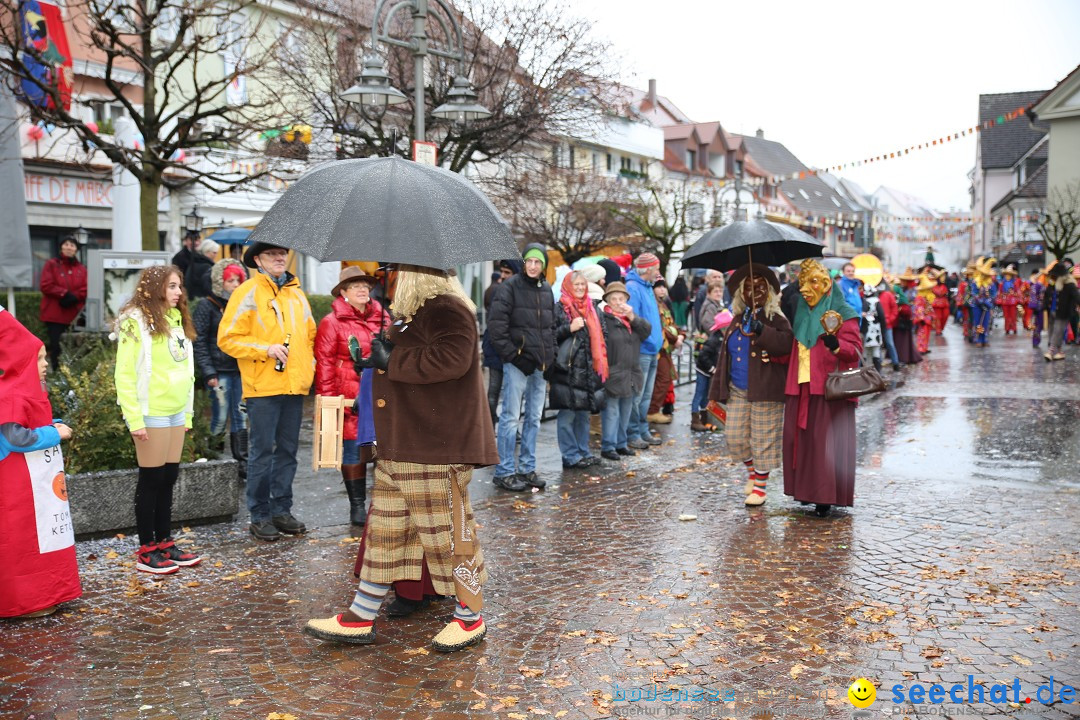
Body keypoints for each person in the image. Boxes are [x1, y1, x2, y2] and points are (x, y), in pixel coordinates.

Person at [304, 264, 496, 653]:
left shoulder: (447, 308)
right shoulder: (414, 315)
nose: (388, 280)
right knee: (386, 537)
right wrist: (375, 360)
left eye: (394, 272)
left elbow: (451, 362)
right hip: (401, 445)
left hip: (433, 447)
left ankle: (470, 616)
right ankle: (361, 615)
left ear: (416, 274)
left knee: (448, 536)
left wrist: (391, 359)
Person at [219, 242, 316, 542]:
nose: (279, 257)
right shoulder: (246, 292)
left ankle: (281, 510)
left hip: (294, 386)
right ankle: (259, 514)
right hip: (262, 387)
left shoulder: (297, 294)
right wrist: (265, 349)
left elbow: (309, 335)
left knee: (288, 452)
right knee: (262, 454)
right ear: (258, 260)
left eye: (282, 253)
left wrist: (308, 368)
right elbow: (227, 338)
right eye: (271, 254)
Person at [114, 265, 200, 574]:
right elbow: (123, 375)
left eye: (180, 286)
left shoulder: (177, 320)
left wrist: (187, 412)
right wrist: (134, 418)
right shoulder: (134, 323)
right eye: (173, 286)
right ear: (155, 288)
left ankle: (165, 542)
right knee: (151, 480)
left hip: (177, 411)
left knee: (169, 478)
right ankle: (146, 549)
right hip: (151, 412)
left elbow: (185, 371)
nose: (179, 292)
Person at [0, 305, 79, 618]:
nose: (46, 365)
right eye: (40, 358)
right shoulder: (11, 394)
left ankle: (46, 594)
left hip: (29, 490)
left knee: (42, 541)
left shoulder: (20, 390)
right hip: (16, 495)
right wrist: (54, 433)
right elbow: (15, 438)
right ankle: (27, 601)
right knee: (23, 546)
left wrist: (50, 426)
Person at [782, 259, 862, 518]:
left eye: (812, 282)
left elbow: (855, 352)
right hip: (802, 386)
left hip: (828, 390)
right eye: (803, 283)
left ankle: (825, 497)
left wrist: (835, 344)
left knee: (823, 445)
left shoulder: (843, 313)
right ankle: (805, 492)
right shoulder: (802, 314)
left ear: (826, 285)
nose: (806, 289)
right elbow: (792, 350)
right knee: (803, 444)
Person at [709, 264, 793, 506]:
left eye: (759, 287)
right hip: (738, 389)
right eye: (748, 287)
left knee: (763, 439)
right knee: (734, 437)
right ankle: (752, 473)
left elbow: (786, 344)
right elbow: (725, 356)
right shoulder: (737, 319)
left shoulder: (776, 318)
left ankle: (760, 487)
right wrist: (717, 389)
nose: (753, 291)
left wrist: (762, 330)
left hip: (766, 387)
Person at [314, 266, 389, 527]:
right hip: (348, 394)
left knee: (382, 450)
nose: (362, 290)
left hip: (380, 393)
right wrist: (328, 401)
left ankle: (380, 505)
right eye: (355, 285)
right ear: (343, 292)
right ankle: (357, 506)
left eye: (365, 285)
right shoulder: (330, 322)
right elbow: (324, 364)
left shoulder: (383, 317)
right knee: (352, 451)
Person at [488, 245, 555, 492]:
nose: (533, 266)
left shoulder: (547, 289)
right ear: (524, 263)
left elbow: (550, 328)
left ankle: (527, 468)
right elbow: (496, 328)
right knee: (510, 417)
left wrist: (552, 358)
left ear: (544, 265)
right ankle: (505, 470)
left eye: (538, 262)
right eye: (529, 261)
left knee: (534, 418)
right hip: (518, 363)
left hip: (540, 364)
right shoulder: (510, 287)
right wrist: (515, 357)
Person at [192, 259, 249, 478]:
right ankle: (215, 460)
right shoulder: (207, 305)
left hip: (241, 369)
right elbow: (200, 341)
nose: (234, 284)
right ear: (220, 282)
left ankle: (242, 463)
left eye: (238, 280)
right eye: (230, 280)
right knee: (220, 415)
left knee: (240, 415)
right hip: (219, 371)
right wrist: (208, 372)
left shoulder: (244, 304)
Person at [549, 271, 607, 469]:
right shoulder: (560, 308)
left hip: (588, 370)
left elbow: (603, 334)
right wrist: (569, 328)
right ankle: (570, 454)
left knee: (583, 414)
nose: (581, 288)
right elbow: (550, 336)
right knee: (567, 415)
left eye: (583, 284)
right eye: (577, 285)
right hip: (567, 371)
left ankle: (583, 451)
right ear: (567, 286)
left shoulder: (593, 309)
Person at [597, 282, 651, 460]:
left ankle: (621, 443)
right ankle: (608, 446)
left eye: (622, 298)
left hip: (631, 373)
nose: (618, 302)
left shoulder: (631, 321)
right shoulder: (605, 319)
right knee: (612, 412)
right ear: (608, 302)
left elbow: (646, 331)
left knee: (626, 410)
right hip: (614, 372)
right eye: (614, 299)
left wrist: (632, 317)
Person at [625, 253, 664, 450]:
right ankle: (633, 432)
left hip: (652, 350)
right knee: (637, 396)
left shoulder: (647, 287)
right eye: (656, 268)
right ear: (648, 269)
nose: (658, 272)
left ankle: (642, 430)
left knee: (645, 396)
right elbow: (633, 321)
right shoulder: (633, 288)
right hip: (642, 350)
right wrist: (649, 340)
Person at [38, 236, 87, 370]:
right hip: (55, 315)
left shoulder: (82, 269)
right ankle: (59, 375)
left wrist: (75, 297)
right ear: (61, 247)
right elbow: (46, 284)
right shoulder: (52, 264)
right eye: (66, 244)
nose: (69, 247)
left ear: (76, 249)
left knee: (76, 346)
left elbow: (86, 287)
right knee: (57, 346)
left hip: (74, 316)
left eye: (72, 245)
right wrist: (64, 293)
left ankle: (74, 375)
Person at [481, 259, 521, 425]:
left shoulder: (509, 291)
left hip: (503, 348)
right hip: (498, 348)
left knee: (501, 391)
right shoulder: (502, 291)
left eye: (507, 272)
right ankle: (492, 424)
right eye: (502, 272)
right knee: (498, 390)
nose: (503, 276)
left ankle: (494, 424)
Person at [691, 308, 733, 432]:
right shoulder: (714, 340)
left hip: (708, 371)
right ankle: (694, 418)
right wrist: (712, 368)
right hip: (703, 370)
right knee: (699, 394)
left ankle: (704, 418)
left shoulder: (723, 339)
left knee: (705, 396)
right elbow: (703, 355)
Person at [1044, 262, 1080, 361]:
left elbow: (1077, 297)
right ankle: (1059, 352)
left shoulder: (1069, 283)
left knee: (1057, 331)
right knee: (1052, 331)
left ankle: (1050, 351)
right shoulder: (1053, 282)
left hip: (1063, 312)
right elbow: (1047, 294)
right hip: (1052, 310)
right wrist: (1045, 306)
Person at [968, 257, 998, 348]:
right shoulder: (975, 282)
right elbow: (974, 293)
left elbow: (993, 294)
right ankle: (978, 339)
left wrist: (988, 302)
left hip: (987, 307)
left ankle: (984, 339)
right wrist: (981, 302)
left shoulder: (991, 284)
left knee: (986, 322)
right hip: (977, 306)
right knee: (978, 322)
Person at [877, 280, 902, 371]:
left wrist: (890, 319)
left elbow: (894, 308)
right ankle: (878, 363)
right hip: (876, 324)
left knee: (890, 343)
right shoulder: (874, 295)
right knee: (878, 345)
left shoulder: (887, 295)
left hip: (887, 324)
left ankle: (896, 363)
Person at [861, 284, 885, 373]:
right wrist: (883, 329)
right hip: (876, 329)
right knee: (876, 351)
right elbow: (882, 316)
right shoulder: (876, 301)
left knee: (865, 352)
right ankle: (877, 372)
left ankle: (863, 372)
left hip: (866, 329)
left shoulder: (863, 301)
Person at [913, 273, 935, 354]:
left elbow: (930, 307)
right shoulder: (920, 297)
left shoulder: (927, 297)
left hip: (928, 318)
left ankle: (925, 347)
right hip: (923, 319)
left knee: (927, 334)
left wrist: (932, 315)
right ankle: (921, 348)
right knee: (922, 333)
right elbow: (919, 309)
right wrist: (921, 318)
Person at [996, 265, 1021, 335]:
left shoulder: (1015, 283)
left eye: (1009, 275)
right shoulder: (1002, 283)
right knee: (1006, 316)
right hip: (1005, 301)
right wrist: (1000, 298)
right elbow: (999, 292)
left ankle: (1014, 328)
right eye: (1006, 274)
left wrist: (1015, 295)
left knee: (1013, 316)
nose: (1008, 276)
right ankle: (1007, 329)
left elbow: (1018, 292)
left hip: (1013, 302)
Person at [1028, 270, 1046, 347]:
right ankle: (1036, 341)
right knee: (1038, 324)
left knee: (1036, 324)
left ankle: (1036, 341)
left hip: (1036, 307)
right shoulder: (1039, 285)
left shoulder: (1034, 285)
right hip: (1039, 308)